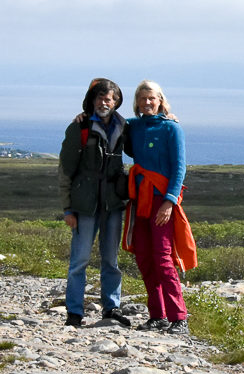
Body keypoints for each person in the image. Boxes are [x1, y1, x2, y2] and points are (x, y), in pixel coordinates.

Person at [122, 80, 197, 334]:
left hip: (161, 201)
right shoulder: (132, 126)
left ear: (160, 100)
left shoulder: (172, 129)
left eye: (151, 98)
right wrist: (84, 115)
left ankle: (179, 318)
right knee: (144, 257)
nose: (146, 103)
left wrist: (169, 201)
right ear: (136, 102)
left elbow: (179, 168)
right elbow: (107, 121)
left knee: (163, 259)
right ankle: (158, 315)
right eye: (142, 99)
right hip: (139, 200)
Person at [58, 78, 132, 328]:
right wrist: (67, 208)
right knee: (79, 261)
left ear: (117, 102)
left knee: (111, 260)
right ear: (91, 100)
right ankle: (74, 313)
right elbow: (66, 170)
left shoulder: (124, 127)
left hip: (112, 204)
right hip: (84, 205)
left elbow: (143, 142)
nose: (105, 102)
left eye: (109, 99)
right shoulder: (79, 128)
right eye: (100, 98)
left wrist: (167, 116)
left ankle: (111, 309)